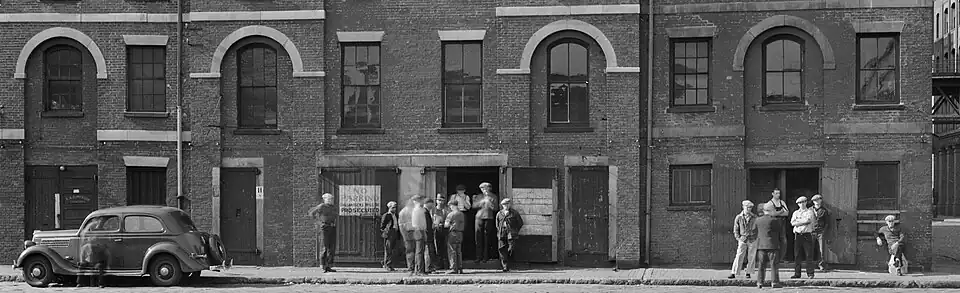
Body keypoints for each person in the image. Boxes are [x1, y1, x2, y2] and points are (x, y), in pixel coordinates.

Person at [756, 202, 786, 289]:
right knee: (774, 265)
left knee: (761, 265)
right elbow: (780, 233)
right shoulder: (775, 221)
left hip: (761, 246)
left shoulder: (758, 220)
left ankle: (760, 282)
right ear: (770, 210)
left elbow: (754, 232)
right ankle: (775, 282)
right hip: (773, 245)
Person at [308, 193, 338, 273]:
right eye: (330, 199)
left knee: (331, 247)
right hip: (324, 228)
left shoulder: (333, 207)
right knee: (324, 246)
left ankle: (329, 266)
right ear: (325, 199)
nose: (332, 200)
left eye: (332, 199)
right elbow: (311, 213)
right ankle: (323, 265)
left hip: (332, 227)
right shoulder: (321, 206)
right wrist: (319, 223)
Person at [728, 200, 758, 279]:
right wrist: (738, 238)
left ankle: (748, 272)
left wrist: (756, 237)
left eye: (751, 207)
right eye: (747, 207)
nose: (749, 209)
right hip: (743, 238)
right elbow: (736, 229)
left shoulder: (755, 217)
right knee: (739, 255)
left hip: (752, 239)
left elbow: (758, 228)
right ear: (743, 207)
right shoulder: (739, 217)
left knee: (751, 256)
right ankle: (734, 272)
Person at [790, 196, 816, 279]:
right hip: (798, 235)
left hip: (806, 234)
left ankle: (810, 273)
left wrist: (798, 222)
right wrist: (802, 222)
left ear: (806, 202)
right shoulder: (795, 213)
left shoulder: (809, 212)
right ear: (798, 204)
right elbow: (792, 223)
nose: (802, 204)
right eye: (800, 203)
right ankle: (797, 273)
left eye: (804, 202)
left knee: (808, 254)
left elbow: (808, 221)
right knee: (797, 255)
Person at [473, 182, 499, 263]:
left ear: (489, 188)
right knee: (478, 237)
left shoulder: (493, 196)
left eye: (485, 188)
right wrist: (482, 202)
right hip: (479, 217)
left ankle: (486, 257)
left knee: (487, 237)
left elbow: (496, 208)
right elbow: (473, 206)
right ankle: (478, 257)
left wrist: (489, 202)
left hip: (489, 217)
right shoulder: (479, 196)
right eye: (482, 188)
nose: (484, 190)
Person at [496, 198, 524, 272]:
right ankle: (505, 266)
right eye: (504, 204)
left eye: (507, 204)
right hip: (502, 232)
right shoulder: (499, 213)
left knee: (511, 248)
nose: (506, 206)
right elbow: (497, 224)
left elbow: (520, 223)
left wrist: (515, 230)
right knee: (501, 249)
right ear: (502, 205)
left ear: (510, 204)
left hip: (511, 232)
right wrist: (500, 231)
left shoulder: (514, 213)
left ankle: (510, 264)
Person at [768, 188, 790, 261]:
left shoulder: (782, 202)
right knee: (774, 241)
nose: (778, 195)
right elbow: (771, 214)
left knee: (784, 241)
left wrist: (776, 213)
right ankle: (773, 258)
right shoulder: (770, 203)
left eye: (779, 193)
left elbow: (786, 213)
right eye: (776, 193)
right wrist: (781, 212)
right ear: (773, 194)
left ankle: (782, 258)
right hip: (773, 224)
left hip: (782, 224)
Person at [445, 199, 466, 274]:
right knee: (458, 251)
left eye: (450, 206)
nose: (450, 207)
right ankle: (460, 268)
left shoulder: (451, 214)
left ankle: (453, 268)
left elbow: (446, 225)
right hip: (460, 233)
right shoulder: (461, 214)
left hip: (453, 233)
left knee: (452, 251)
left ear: (453, 206)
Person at [380, 201, 401, 271]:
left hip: (395, 232)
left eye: (395, 208)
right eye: (393, 208)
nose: (394, 209)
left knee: (393, 250)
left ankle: (390, 264)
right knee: (388, 249)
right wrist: (386, 232)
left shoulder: (396, 215)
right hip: (389, 233)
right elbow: (382, 226)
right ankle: (387, 264)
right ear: (389, 208)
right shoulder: (386, 215)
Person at [811, 194, 830, 271]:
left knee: (821, 249)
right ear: (813, 202)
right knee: (810, 249)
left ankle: (820, 264)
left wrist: (823, 231)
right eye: (815, 201)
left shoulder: (824, 211)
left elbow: (827, 222)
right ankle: (810, 264)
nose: (817, 202)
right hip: (811, 232)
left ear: (821, 201)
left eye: (818, 200)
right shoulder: (809, 210)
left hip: (820, 232)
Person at [432, 194, 449, 271]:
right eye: (439, 200)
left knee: (445, 246)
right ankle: (438, 264)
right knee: (437, 247)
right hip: (436, 228)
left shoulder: (446, 209)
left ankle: (445, 264)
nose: (440, 202)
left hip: (445, 228)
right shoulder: (433, 210)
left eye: (441, 200)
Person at [423, 198, 438, 273]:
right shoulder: (425, 212)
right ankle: (428, 267)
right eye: (432, 204)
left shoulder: (426, 211)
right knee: (428, 251)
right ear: (428, 203)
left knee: (430, 251)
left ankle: (429, 267)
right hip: (427, 235)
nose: (433, 205)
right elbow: (427, 225)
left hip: (428, 234)